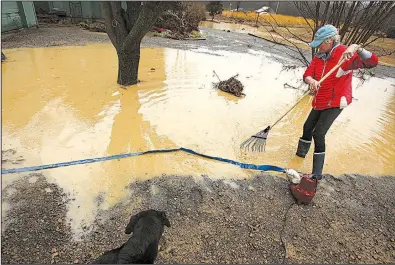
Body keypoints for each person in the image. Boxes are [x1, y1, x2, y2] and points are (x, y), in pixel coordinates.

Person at [295, 24, 378, 178]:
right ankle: (297, 159)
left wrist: (357, 48)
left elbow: (372, 63)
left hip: (336, 101)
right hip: (320, 99)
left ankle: (316, 175)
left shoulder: (344, 54)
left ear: (329, 41)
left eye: (319, 44)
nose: (318, 48)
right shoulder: (319, 56)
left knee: (318, 134)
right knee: (307, 127)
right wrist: (311, 80)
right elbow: (307, 74)